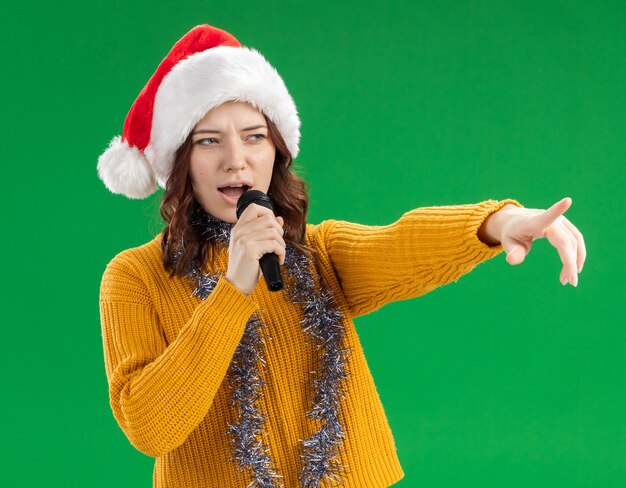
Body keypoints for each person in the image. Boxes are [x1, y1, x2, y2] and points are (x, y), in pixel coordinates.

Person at [97, 24, 586, 488]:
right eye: (209, 141)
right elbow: (149, 427)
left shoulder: (316, 253)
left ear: (277, 151)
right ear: (177, 160)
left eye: (254, 136)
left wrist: (498, 222)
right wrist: (233, 290)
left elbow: (402, 244)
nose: (236, 159)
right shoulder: (135, 277)